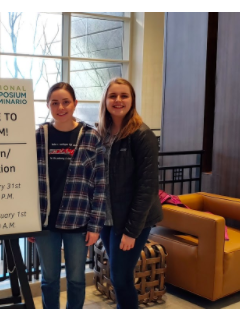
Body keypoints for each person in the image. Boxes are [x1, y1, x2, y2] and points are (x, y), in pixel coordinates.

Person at [29, 82, 106, 309]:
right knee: (49, 280)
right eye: (55, 103)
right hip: (45, 223)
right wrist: (28, 222)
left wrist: (95, 226)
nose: (60, 107)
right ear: (48, 106)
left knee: (76, 280)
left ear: (75, 104)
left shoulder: (91, 137)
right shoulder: (38, 137)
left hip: (78, 221)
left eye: (65, 102)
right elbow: (25, 181)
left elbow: (100, 183)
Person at [97, 78, 162, 309]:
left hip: (131, 221)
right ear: (105, 99)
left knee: (121, 278)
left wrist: (131, 232)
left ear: (132, 100)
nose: (118, 100)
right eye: (113, 95)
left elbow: (147, 188)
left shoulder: (142, 135)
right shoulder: (102, 133)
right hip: (107, 217)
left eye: (124, 95)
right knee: (117, 275)